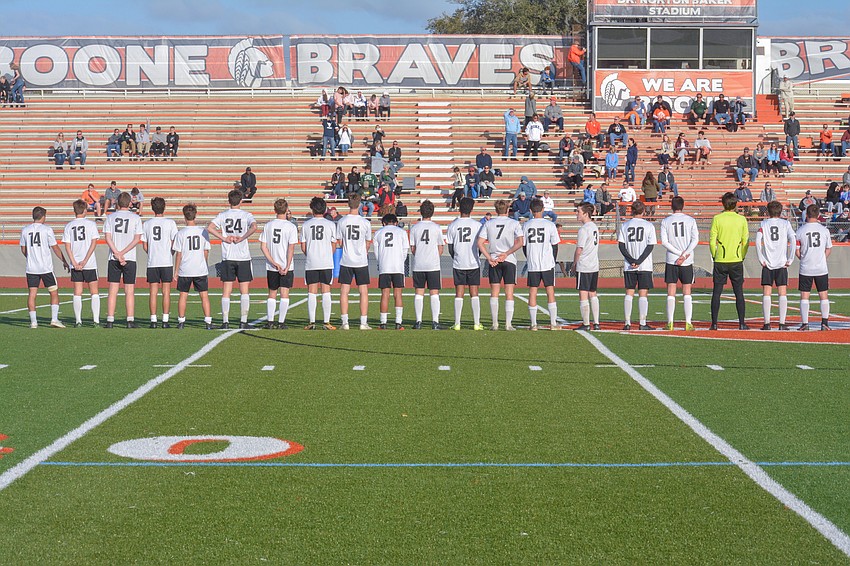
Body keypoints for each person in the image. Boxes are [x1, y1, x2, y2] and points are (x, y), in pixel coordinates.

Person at [206, 189, 258, 329]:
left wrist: (224, 238)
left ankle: (225, 321)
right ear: (241, 201)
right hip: (242, 256)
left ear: (229, 201)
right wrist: (242, 237)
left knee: (226, 290)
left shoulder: (223, 215)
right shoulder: (246, 215)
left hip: (228, 256)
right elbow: (254, 227)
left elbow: (210, 227)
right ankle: (243, 321)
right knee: (244, 290)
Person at [477, 200, 523, 331]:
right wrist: (507, 253)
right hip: (509, 260)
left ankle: (495, 323)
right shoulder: (514, 223)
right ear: (507, 210)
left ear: (496, 210)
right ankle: (508, 324)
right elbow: (520, 242)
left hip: (494, 260)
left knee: (494, 292)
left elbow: (480, 243)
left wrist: (489, 257)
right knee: (509, 293)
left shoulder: (489, 223)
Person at [21, 207, 69, 328]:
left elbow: (23, 249)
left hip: (31, 268)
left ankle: (33, 322)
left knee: (32, 294)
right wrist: (64, 261)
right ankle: (54, 319)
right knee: (53, 292)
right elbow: (55, 248)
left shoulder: (25, 230)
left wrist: (30, 257)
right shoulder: (47, 229)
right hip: (46, 268)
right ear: (43, 216)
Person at [709, 192, 749, 330]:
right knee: (739, 292)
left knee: (717, 292)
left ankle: (714, 323)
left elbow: (712, 240)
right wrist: (742, 255)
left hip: (720, 259)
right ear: (736, 204)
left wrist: (715, 255)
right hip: (736, 259)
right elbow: (746, 241)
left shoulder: (717, 219)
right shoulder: (741, 219)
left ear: (723, 204)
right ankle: (742, 323)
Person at [104, 192, 144, 328]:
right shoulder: (135, 218)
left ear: (117, 203)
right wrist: (123, 253)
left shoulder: (110, 218)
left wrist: (117, 253)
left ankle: (110, 320)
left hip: (114, 257)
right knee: (129, 290)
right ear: (129, 203)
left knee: (113, 290)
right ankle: (130, 320)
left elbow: (108, 238)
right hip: (129, 258)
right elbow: (136, 239)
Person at [659, 197, 699, 331]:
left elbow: (664, 242)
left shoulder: (665, 221)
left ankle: (670, 322)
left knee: (671, 290)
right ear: (683, 205)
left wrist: (677, 254)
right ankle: (688, 322)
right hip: (686, 260)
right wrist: (684, 254)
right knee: (687, 291)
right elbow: (695, 240)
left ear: (671, 206)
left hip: (672, 259)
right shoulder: (690, 220)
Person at [259, 198, 299, 330]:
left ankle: (270, 321)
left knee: (272, 293)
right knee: (284, 293)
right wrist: (287, 265)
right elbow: (291, 248)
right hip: (286, 265)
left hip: (272, 265)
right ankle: (281, 322)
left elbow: (263, 247)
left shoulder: (268, 225)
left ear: (275, 210)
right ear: (287, 210)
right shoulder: (291, 226)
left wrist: (273, 262)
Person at [172, 203, 214, 330]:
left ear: (184, 217)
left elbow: (178, 254)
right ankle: (208, 321)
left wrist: (176, 271)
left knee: (183, 295)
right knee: (204, 295)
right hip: (199, 268)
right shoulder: (203, 232)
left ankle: (181, 320)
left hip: (185, 269)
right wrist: (204, 263)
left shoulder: (181, 233)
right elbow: (206, 251)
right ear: (195, 215)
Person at [755, 200, 795, 331]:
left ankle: (767, 323)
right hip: (781, 262)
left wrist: (761, 258)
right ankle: (782, 323)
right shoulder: (786, 223)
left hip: (767, 263)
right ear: (781, 211)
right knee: (782, 292)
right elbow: (793, 240)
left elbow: (757, 241)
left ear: (768, 211)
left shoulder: (764, 223)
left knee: (767, 292)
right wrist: (790, 258)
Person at [300, 197, 338, 330]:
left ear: (312, 208)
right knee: (326, 290)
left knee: (312, 291)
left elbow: (303, 246)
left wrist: (310, 254)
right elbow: (334, 245)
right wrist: (327, 254)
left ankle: (312, 322)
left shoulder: (306, 225)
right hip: (326, 262)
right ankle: (326, 322)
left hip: (311, 262)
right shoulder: (331, 224)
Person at [336, 193, 373, 330]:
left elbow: (339, 242)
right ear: (360, 205)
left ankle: (345, 322)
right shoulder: (365, 222)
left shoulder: (342, 221)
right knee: (363, 291)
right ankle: (363, 322)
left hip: (346, 259)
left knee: (344, 291)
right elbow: (368, 242)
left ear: (348, 204)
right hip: (361, 261)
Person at [523, 199, 561, 330]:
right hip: (547, 263)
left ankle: (533, 324)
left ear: (531, 211)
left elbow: (523, 246)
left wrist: (529, 257)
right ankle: (553, 323)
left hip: (533, 263)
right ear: (543, 209)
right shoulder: (550, 225)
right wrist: (553, 259)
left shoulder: (526, 225)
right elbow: (555, 245)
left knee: (532, 291)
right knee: (550, 291)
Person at [446, 197, 483, 330]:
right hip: (473, 262)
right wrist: (475, 256)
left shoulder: (453, 225)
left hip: (459, 262)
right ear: (471, 209)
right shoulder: (478, 225)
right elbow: (481, 246)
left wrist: (456, 256)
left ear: (459, 208)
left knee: (459, 292)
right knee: (474, 292)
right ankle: (476, 323)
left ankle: (457, 323)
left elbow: (450, 248)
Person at [618, 201, 656, 331]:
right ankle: (642, 322)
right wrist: (639, 261)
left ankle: (627, 322)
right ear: (643, 211)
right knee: (643, 293)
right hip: (644, 265)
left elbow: (621, 246)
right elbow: (650, 246)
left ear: (631, 211)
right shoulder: (649, 225)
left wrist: (631, 260)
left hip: (629, 265)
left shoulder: (625, 225)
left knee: (629, 292)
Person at [141, 197, 178, 328]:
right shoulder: (170, 223)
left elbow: (144, 245)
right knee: (166, 291)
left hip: (153, 262)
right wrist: (169, 253)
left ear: (152, 208)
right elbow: (175, 243)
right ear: (164, 207)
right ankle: (165, 320)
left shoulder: (146, 224)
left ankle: (153, 320)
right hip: (166, 261)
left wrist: (152, 253)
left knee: (153, 292)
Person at [63, 200, 100, 327]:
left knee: (77, 292)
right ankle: (96, 321)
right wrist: (85, 261)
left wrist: (74, 262)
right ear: (85, 210)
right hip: (89, 263)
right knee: (94, 291)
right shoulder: (91, 224)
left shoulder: (69, 226)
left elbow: (67, 247)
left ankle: (78, 321)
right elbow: (93, 243)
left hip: (76, 263)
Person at [796, 204, 832, 330]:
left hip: (806, 267)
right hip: (821, 268)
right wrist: (821, 258)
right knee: (823, 295)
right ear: (818, 216)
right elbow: (828, 249)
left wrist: (805, 258)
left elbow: (797, 251)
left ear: (806, 215)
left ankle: (805, 323)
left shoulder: (800, 230)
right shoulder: (824, 230)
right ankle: (825, 323)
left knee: (805, 295)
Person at [409, 200, 444, 330]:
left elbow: (413, 248)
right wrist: (434, 257)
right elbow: (440, 248)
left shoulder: (415, 228)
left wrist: (420, 256)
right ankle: (435, 322)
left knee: (419, 292)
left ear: (421, 211)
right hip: (433, 265)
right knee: (434, 292)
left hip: (419, 264)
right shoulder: (436, 227)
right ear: (432, 212)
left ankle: (418, 321)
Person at [373, 214, 409, 330]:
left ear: (384, 223)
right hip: (398, 267)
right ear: (396, 222)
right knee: (398, 294)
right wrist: (400, 261)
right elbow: (405, 250)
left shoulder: (378, 233)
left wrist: (382, 262)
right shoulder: (402, 232)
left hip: (385, 266)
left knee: (385, 294)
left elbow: (376, 253)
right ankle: (398, 323)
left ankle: (383, 323)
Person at [572, 202, 600, 331]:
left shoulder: (584, 229)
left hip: (584, 265)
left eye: (578, 211)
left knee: (583, 293)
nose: (577, 214)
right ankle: (596, 322)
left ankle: (586, 323)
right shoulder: (594, 226)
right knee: (593, 293)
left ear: (585, 213)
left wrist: (574, 264)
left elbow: (579, 249)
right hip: (594, 264)